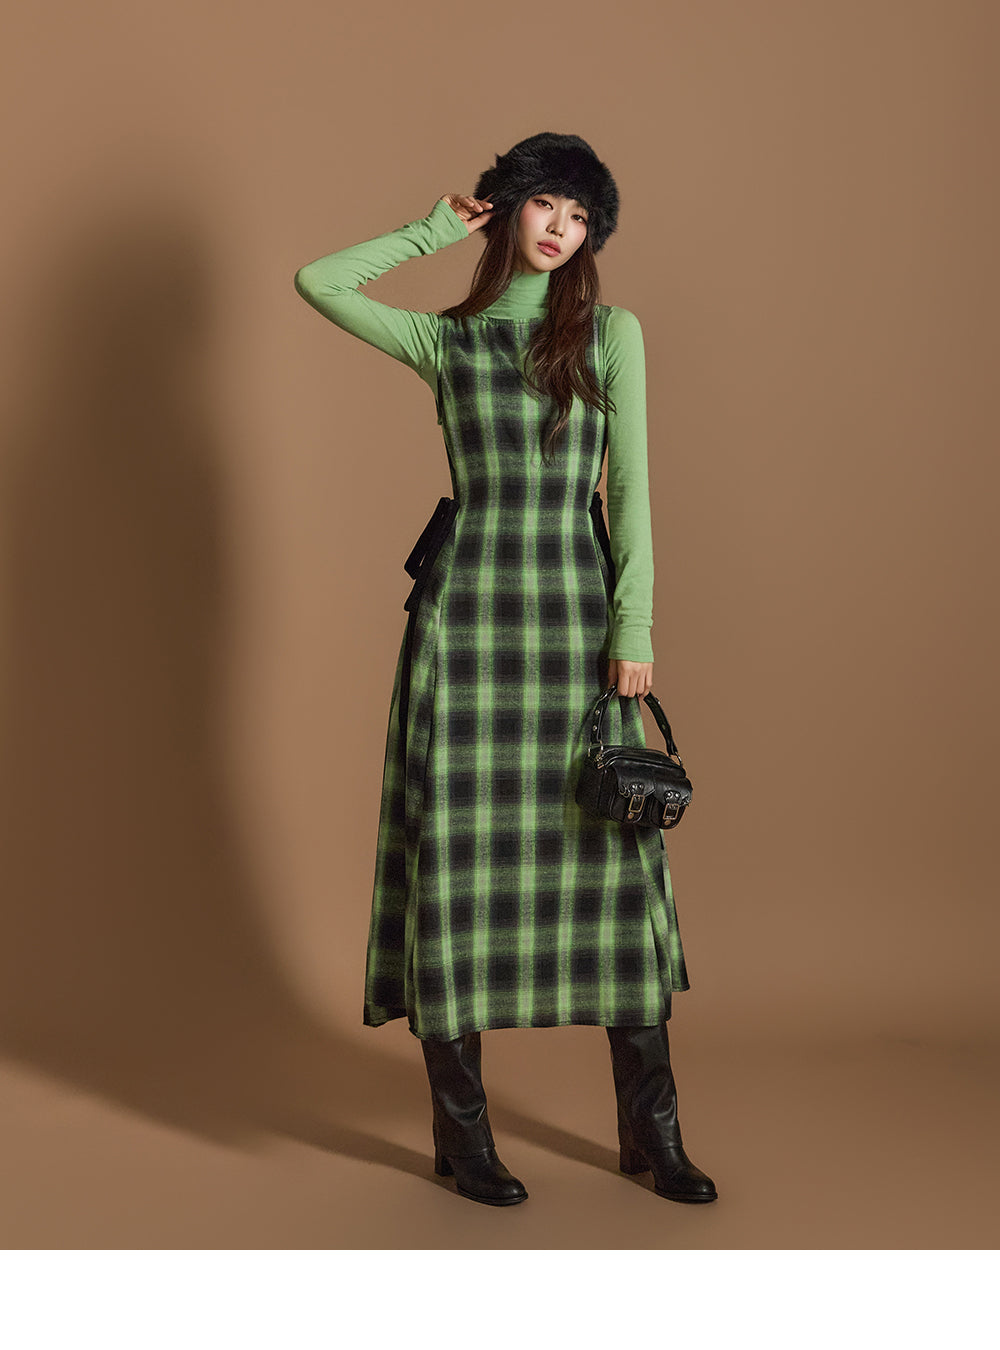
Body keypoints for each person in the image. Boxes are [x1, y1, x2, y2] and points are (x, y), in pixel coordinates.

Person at [293, 132, 717, 1207]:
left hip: (575, 624)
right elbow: (319, 281)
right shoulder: (448, 340)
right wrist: (432, 229)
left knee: (612, 867)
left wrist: (635, 627)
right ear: (508, 207)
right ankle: (464, 1138)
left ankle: (653, 1137)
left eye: (579, 217)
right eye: (544, 205)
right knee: (459, 868)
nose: (560, 229)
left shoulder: (611, 334)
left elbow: (632, 492)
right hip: (468, 629)